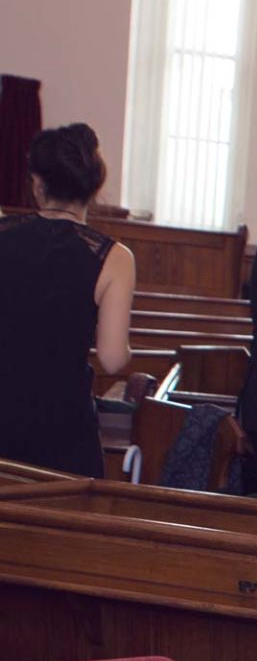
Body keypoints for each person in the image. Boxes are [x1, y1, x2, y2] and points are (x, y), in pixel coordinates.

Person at [0, 123, 134, 476]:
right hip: (62, 428)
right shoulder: (115, 257)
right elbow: (113, 358)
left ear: (38, 184)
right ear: (94, 187)